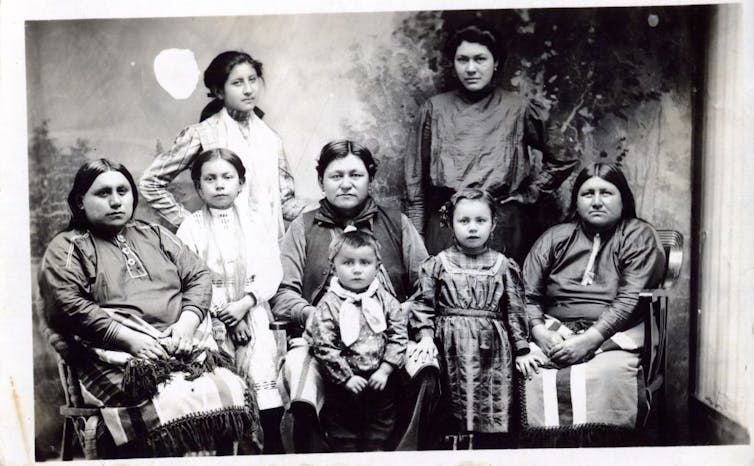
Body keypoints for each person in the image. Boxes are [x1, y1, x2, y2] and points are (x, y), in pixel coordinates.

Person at [37, 159, 260, 457]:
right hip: (116, 360)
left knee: (230, 387)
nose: (116, 201)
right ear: (80, 201)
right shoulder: (67, 247)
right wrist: (132, 340)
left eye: (123, 191)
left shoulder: (155, 234)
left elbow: (199, 276)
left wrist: (186, 324)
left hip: (180, 346)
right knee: (173, 395)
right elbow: (67, 304)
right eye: (103, 193)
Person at [270, 139, 439, 452]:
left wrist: (399, 316)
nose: (346, 184)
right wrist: (313, 317)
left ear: (370, 178)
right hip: (323, 343)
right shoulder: (302, 227)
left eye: (355, 175)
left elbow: (427, 283)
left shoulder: (397, 223)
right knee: (298, 372)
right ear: (321, 181)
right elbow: (282, 292)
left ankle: (403, 456)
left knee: (426, 367)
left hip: (389, 340)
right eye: (336, 176)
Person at [405, 22, 577, 262]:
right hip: (446, 224)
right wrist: (417, 241)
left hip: (503, 225)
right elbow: (415, 185)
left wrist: (530, 193)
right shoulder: (433, 109)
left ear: (496, 63)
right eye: (462, 60)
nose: (471, 68)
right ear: (453, 65)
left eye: (480, 59)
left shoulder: (518, 109)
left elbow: (563, 156)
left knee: (502, 291)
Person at [521, 162, 666, 446]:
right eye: (588, 193)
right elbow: (525, 293)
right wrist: (540, 332)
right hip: (555, 331)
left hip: (613, 335)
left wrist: (588, 341)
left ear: (623, 198)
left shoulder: (638, 236)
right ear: (576, 200)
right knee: (531, 373)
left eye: (606, 193)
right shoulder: (556, 237)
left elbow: (628, 300)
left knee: (606, 375)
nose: (597, 201)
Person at [409, 188, 543, 449]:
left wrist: (523, 350)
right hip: (449, 346)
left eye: (480, 221)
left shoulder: (504, 266)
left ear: (493, 224)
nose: (472, 228)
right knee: (449, 405)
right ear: (450, 223)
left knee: (489, 400)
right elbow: (423, 305)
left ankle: (488, 451)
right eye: (464, 221)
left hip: (492, 349)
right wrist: (425, 336)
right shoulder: (437, 264)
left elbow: (515, 310)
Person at [175, 148, 284, 454]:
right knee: (223, 387)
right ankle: (225, 454)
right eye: (210, 179)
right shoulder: (190, 228)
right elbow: (191, 278)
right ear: (198, 187)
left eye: (227, 177)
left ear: (241, 183)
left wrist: (246, 303)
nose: (219, 185)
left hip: (253, 310)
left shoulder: (257, 222)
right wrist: (226, 316)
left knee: (262, 379)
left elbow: (271, 270)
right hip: (211, 319)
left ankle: (272, 449)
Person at [139, 50, 306, 241]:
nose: (248, 89)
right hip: (218, 245)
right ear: (219, 91)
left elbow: (284, 202)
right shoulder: (201, 134)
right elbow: (149, 183)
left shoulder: (271, 139)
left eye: (252, 79)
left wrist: (325, 209)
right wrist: (192, 224)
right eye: (237, 83)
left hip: (266, 245)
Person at [305, 229, 408, 451]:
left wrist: (386, 370)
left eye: (365, 263)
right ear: (333, 267)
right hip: (342, 384)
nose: (357, 270)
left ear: (378, 267)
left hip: (380, 381)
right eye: (348, 263)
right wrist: (345, 378)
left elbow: (399, 335)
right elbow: (323, 345)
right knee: (343, 435)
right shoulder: (329, 304)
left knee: (380, 433)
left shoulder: (386, 301)